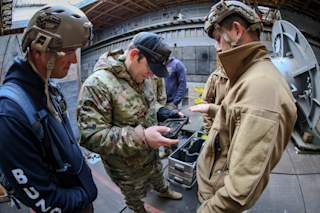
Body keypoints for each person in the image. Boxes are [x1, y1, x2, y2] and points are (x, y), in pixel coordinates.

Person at [189, 1, 297, 212]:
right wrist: (212, 110)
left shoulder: (262, 87)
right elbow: (236, 116)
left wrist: (207, 209)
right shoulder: (249, 76)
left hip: (216, 200)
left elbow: (239, 192)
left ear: (236, 30)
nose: (217, 47)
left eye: (218, 38)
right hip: (213, 185)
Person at [0, 4, 97, 212]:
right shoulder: (10, 114)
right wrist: (85, 195)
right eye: (68, 51)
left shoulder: (46, 86)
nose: (73, 59)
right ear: (38, 49)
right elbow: (44, 198)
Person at [77, 32, 183, 213]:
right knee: (133, 195)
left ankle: (163, 190)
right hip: (126, 168)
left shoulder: (144, 77)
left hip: (150, 156)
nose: (151, 75)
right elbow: (91, 136)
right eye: (150, 68)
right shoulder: (97, 85)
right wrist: (142, 138)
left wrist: (162, 112)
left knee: (158, 175)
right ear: (134, 55)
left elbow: (148, 106)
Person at [201, 55, 228, 133]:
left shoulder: (246, 76)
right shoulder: (215, 77)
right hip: (218, 129)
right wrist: (210, 130)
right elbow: (206, 103)